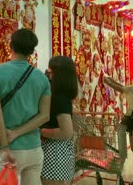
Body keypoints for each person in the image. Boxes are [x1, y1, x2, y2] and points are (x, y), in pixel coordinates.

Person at [0, 28, 51, 185]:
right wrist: (17, 132)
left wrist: (6, 146)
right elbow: (44, 115)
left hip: (9, 150)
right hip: (34, 148)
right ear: (32, 51)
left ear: (10, 45)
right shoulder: (42, 78)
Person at [40, 56, 78, 184]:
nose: (48, 76)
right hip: (59, 152)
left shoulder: (59, 98)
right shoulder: (63, 96)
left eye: (50, 73)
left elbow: (66, 131)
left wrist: (40, 131)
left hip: (54, 153)